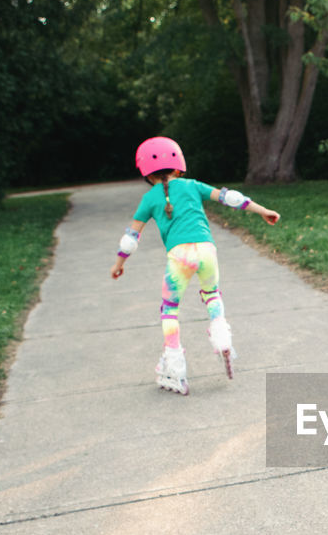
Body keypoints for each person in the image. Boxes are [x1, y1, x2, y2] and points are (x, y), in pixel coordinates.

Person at [111, 136, 280, 395]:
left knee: (170, 309)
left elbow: (130, 239)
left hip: (179, 257)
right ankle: (221, 333)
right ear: (179, 165)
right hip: (206, 250)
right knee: (212, 294)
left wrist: (119, 263)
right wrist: (263, 210)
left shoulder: (149, 199)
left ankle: (175, 363)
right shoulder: (192, 185)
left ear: (145, 172)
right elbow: (230, 198)